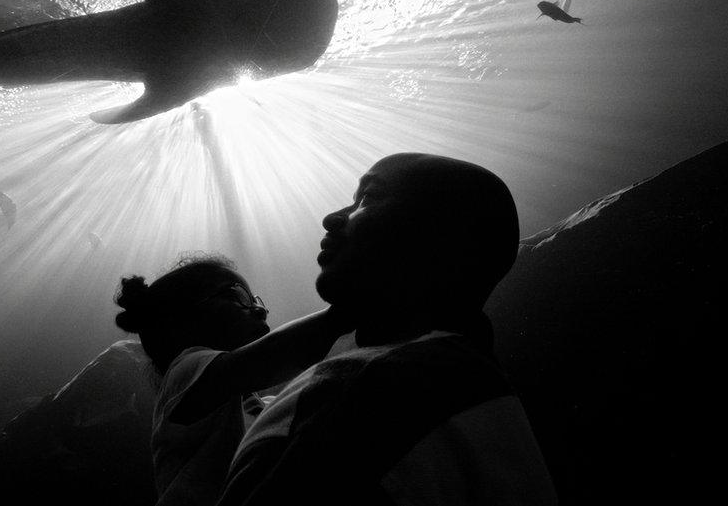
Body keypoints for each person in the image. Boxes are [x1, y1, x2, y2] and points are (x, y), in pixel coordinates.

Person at [217, 154, 558, 506]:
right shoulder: (467, 383)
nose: (332, 218)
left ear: (438, 233)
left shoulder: (376, 389)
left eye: (367, 197)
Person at [114, 254, 351, 506]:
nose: (259, 309)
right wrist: (346, 313)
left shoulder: (261, 405)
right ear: (182, 322)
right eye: (238, 296)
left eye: (256, 300)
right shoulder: (183, 373)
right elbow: (274, 355)